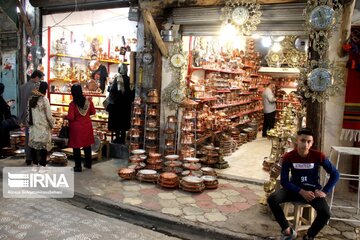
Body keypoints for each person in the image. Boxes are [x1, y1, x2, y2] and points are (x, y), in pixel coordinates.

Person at [267, 128, 339, 240]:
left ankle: (309, 236)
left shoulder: (318, 156)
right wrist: (301, 191)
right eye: (303, 140)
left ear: (312, 143)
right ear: (297, 140)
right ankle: (287, 231)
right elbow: (285, 181)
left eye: (309, 141)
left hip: (313, 192)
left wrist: (325, 191)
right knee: (272, 199)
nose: (306, 144)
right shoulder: (289, 156)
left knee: (325, 213)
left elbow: (335, 174)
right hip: (294, 190)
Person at [66, 84, 95, 172]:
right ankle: (88, 164)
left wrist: (65, 117)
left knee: (76, 147)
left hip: (76, 128)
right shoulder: (88, 101)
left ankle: (78, 167)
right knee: (87, 146)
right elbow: (93, 112)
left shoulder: (72, 104)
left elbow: (71, 117)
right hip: (87, 126)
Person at [19, 70, 44, 165]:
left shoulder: (22, 86)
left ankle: (28, 157)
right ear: (36, 77)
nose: (39, 81)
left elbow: (22, 102)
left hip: (25, 115)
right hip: (34, 115)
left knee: (28, 137)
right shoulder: (35, 87)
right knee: (35, 137)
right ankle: (35, 157)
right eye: (40, 79)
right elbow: (39, 102)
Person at [28, 82, 54, 167]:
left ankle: (35, 163)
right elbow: (49, 115)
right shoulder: (44, 99)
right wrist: (52, 124)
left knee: (33, 146)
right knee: (44, 147)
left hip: (33, 127)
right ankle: (43, 164)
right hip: (43, 127)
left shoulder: (31, 99)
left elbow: (28, 114)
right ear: (45, 90)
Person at [106, 63, 135, 144]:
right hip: (126, 105)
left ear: (119, 69)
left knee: (117, 122)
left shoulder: (117, 78)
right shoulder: (130, 79)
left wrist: (109, 87)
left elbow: (113, 90)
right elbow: (132, 92)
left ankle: (117, 138)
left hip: (117, 105)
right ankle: (122, 137)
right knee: (124, 122)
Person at [0, 83, 12, 158]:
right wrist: (8, 105)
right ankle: (2, 153)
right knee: (1, 137)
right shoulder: (0, 99)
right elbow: (5, 109)